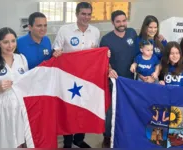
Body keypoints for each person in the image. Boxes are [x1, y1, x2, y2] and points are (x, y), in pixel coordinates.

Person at [52, 2, 103, 148]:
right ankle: (67, 141)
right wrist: (57, 53)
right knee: (69, 109)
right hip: (68, 78)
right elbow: (56, 49)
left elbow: (97, 54)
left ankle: (79, 138)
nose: (86, 17)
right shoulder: (65, 30)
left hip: (87, 79)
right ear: (76, 14)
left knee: (84, 107)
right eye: (83, 14)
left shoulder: (95, 31)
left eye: (88, 14)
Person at [0, 27, 29, 148]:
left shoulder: (21, 59)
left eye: (13, 41)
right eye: (5, 42)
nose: (10, 45)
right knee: (0, 143)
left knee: (19, 141)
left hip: (19, 109)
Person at [99, 10, 137, 148]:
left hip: (130, 82)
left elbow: (141, 51)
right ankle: (107, 136)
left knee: (127, 109)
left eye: (124, 20)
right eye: (118, 21)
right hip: (113, 82)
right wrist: (109, 69)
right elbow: (103, 60)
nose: (122, 24)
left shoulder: (132, 33)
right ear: (113, 23)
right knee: (110, 111)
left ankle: (124, 133)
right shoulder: (106, 39)